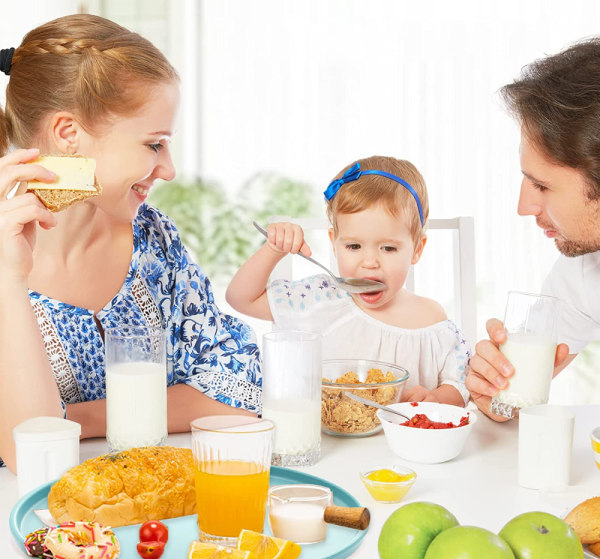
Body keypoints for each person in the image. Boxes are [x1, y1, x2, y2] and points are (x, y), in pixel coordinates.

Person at [0, 14, 261, 472]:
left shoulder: (154, 240)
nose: (169, 169)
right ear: (69, 135)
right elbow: (29, 453)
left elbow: (239, 389)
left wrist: (78, 418)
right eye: (154, 144)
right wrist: (8, 276)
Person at [227, 156, 470, 407]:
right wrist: (273, 249)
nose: (369, 262)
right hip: (324, 442)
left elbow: (458, 386)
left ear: (417, 249)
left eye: (388, 248)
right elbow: (241, 298)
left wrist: (436, 399)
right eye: (354, 246)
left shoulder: (431, 320)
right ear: (334, 243)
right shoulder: (319, 299)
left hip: (402, 445)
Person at [466, 37, 600, 421]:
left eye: (541, 185)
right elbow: (512, 393)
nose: (524, 207)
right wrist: (494, 388)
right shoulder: (583, 271)